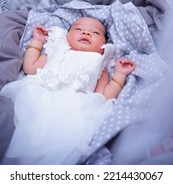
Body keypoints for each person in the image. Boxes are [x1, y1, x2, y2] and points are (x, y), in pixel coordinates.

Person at [1, 17, 135, 165]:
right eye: (78, 29)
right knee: (25, 131)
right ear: (66, 36)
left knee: (67, 140)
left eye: (96, 33)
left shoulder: (99, 64)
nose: (86, 32)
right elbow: (30, 68)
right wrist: (37, 41)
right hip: (40, 95)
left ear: (104, 44)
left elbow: (105, 96)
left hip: (74, 108)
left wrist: (120, 74)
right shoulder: (56, 52)